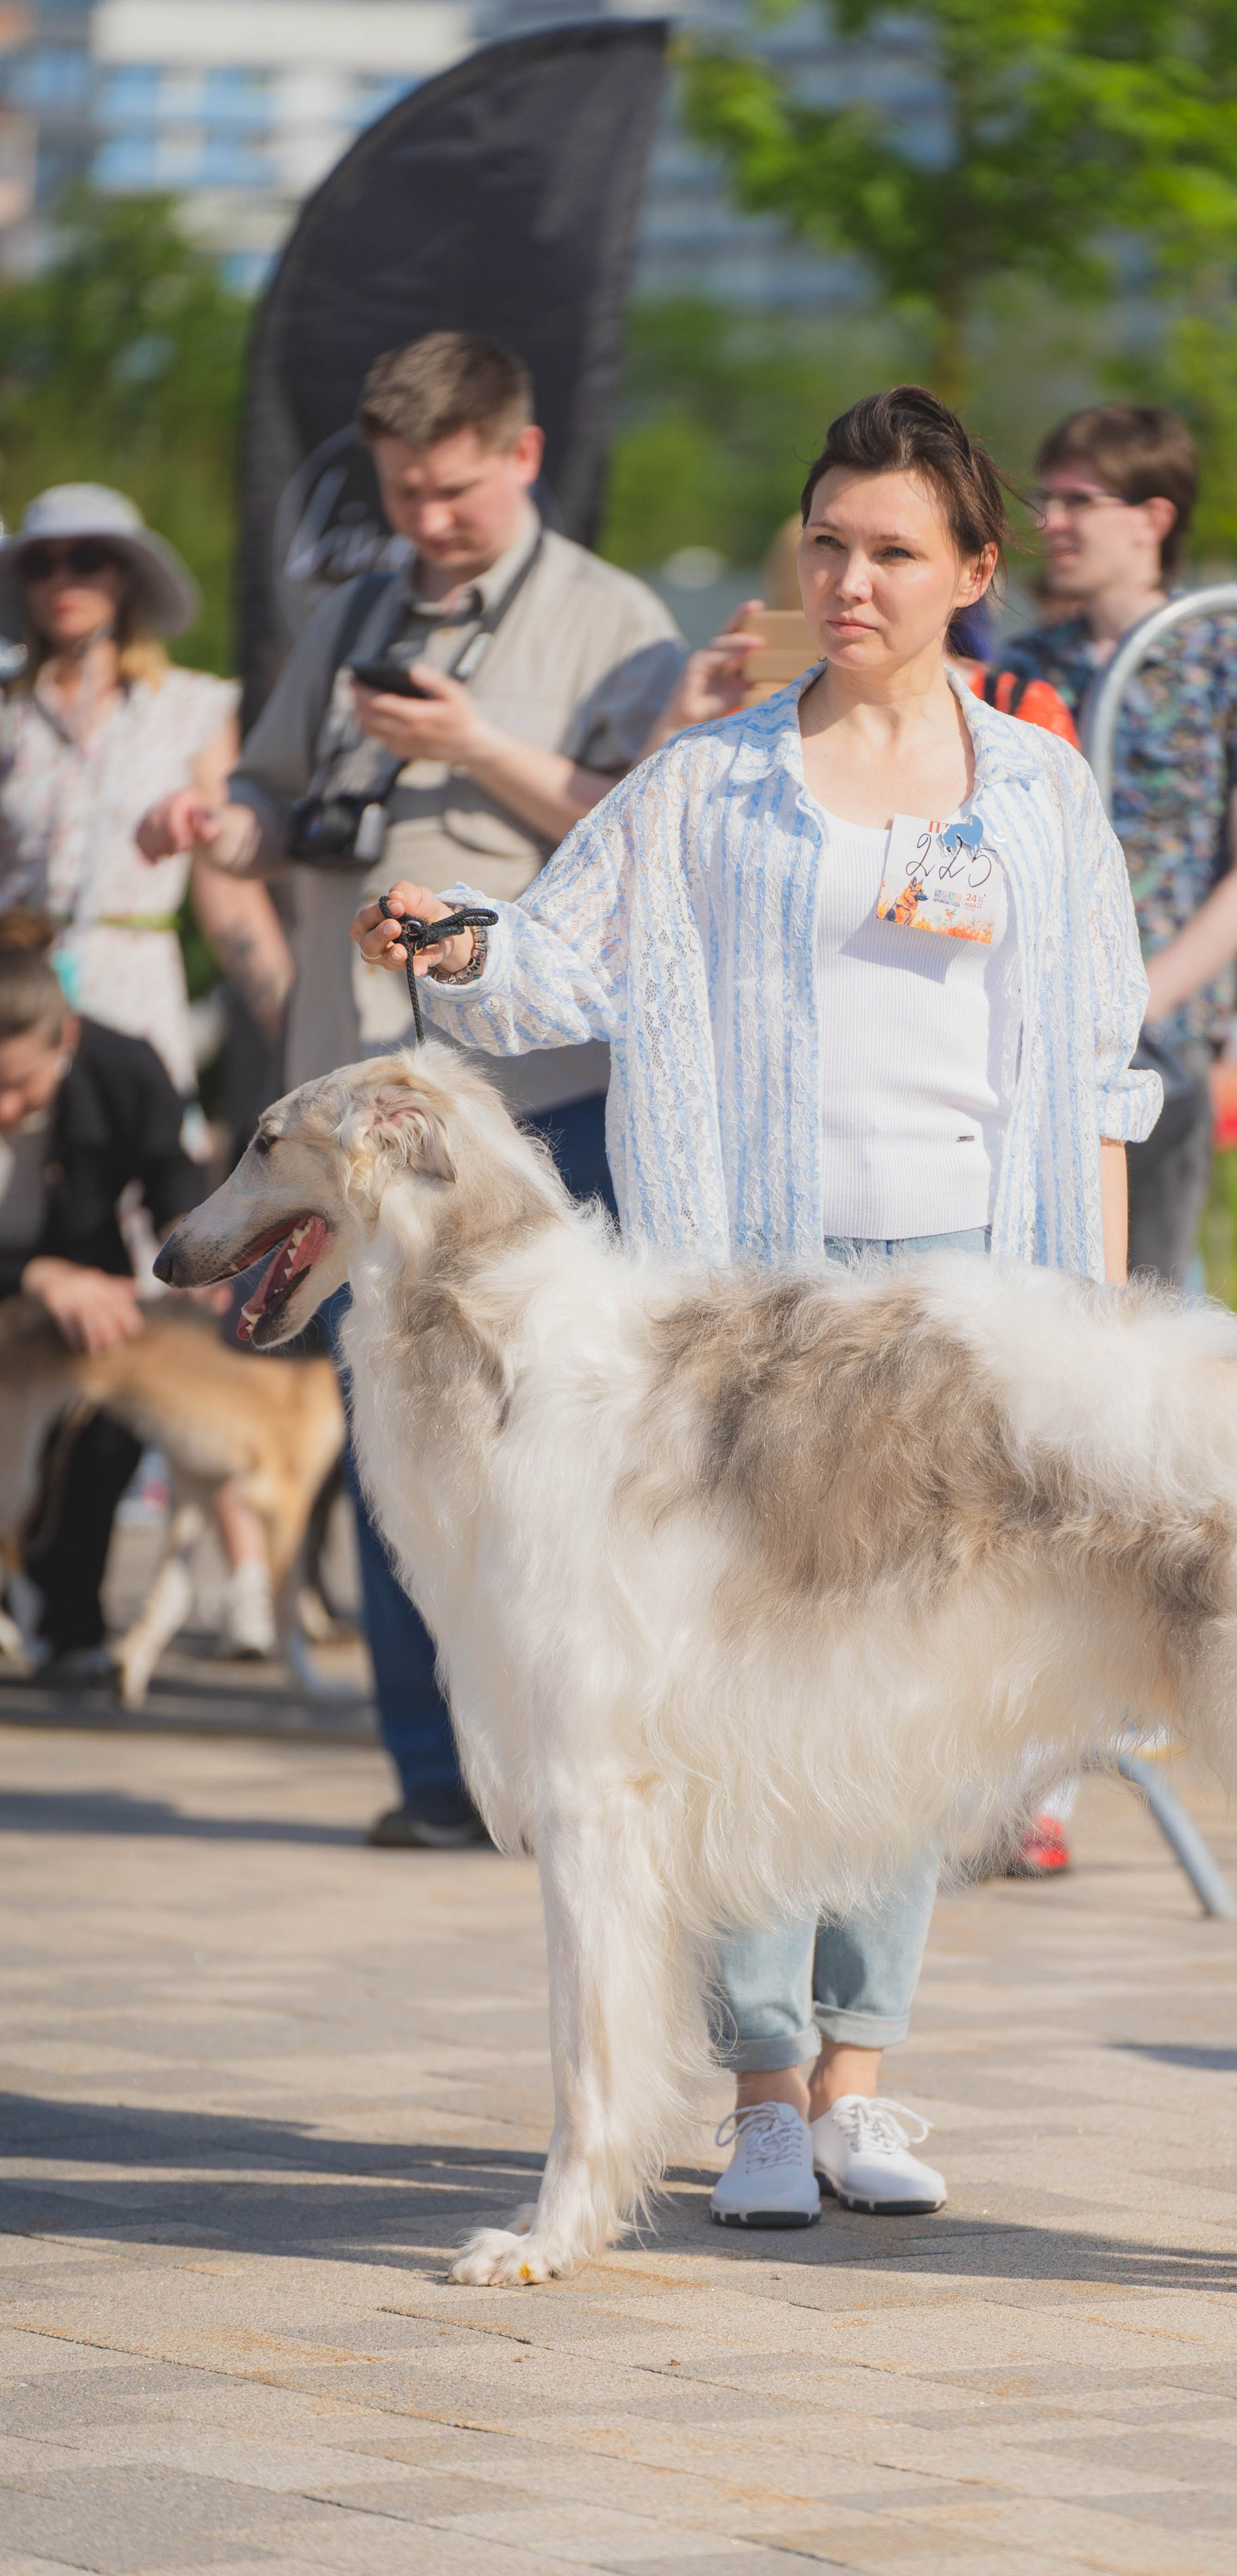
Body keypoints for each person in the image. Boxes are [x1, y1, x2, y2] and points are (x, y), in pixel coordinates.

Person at [353, 384, 1159, 2227]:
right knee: (729, 1682)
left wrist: (1091, 1305)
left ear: (971, 573)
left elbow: (1103, 1067)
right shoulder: (708, 779)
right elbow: (555, 954)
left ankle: (864, 2072)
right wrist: (455, 935)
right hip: (745, 1301)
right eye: (827, 543)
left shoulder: (1038, 786)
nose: (849, 578)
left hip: (970, 1296)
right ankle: (762, 2089)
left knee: (908, 1684)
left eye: (890, 551)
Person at [139, 332, 686, 1845]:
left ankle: (561, 1761)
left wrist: (472, 744)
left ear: (518, 457)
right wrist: (223, 825)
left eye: (450, 493)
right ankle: (433, 1779)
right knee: (388, 1428)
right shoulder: (356, 607)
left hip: (533, 1105)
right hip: (348, 1088)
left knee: (542, 1441)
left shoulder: (614, 619)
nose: (424, 524)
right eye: (401, 494)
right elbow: (268, 791)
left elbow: (630, 828)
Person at [0, 486, 294, 1657]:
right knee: (29, 1278)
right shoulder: (7, 715)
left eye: (93, 559)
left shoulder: (189, 710)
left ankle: (110, 1590)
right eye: (44, 561)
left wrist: (287, 1012)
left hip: (127, 1002)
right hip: (14, 1009)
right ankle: (48, 1589)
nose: (66, 578)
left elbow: (226, 889)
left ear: (127, 580)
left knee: (145, 1297)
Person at [1005, 404, 1237, 1283]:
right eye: (1045, 499)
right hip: (1033, 1022)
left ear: (1153, 518)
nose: (1049, 523)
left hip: (1161, 1035)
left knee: (1144, 1297)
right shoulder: (1028, 664)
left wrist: (1138, 1003)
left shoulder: (1233, 651)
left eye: (1077, 501)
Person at [0, 919, 203, 1683]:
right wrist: (37, 1277)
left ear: (68, 1038)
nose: (6, 1105)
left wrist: (197, 1249)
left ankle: (71, 1623)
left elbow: (174, 1182)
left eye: (21, 1084)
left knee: (114, 1414)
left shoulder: (124, 1067)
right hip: (30, 1286)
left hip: (90, 1303)